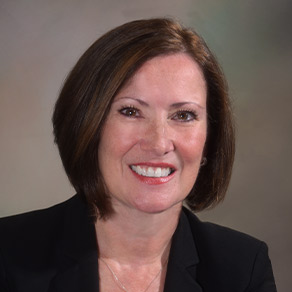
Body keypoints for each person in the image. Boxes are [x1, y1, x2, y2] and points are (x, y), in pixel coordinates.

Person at [0, 18, 277, 292]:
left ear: (209, 139)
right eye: (131, 111)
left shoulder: (242, 271)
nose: (158, 143)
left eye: (183, 115)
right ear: (88, 125)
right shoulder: (8, 255)